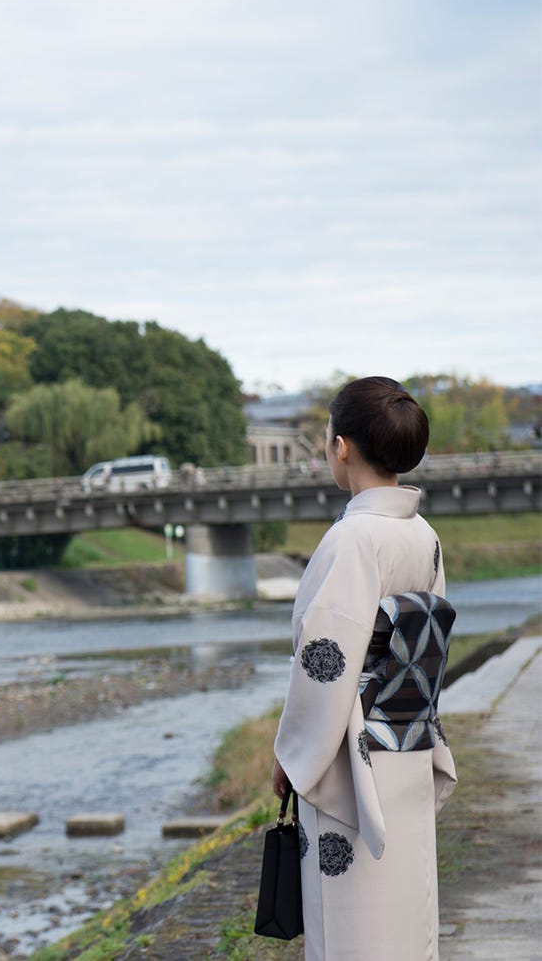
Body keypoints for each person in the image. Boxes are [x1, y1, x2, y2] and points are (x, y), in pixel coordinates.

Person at [271, 376, 455, 960]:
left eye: (327, 437)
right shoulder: (421, 534)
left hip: (351, 755)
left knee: (353, 919)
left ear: (342, 446)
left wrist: (293, 754)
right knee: (404, 902)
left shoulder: (353, 538)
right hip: (408, 736)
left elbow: (325, 659)